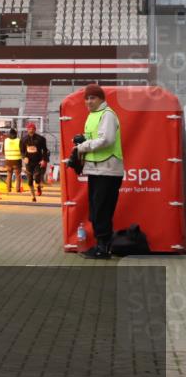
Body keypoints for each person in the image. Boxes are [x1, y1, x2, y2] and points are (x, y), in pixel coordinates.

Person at [73, 84, 123, 259]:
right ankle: (100, 245)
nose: (88, 101)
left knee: (102, 209)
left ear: (102, 99)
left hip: (108, 169)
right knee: (96, 209)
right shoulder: (92, 115)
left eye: (92, 98)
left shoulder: (107, 114)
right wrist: (83, 139)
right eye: (86, 98)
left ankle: (103, 247)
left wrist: (83, 146)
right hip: (96, 169)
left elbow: (106, 139)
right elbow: (94, 138)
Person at [20, 121, 50, 202]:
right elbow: (21, 151)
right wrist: (24, 157)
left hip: (38, 161)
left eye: (33, 129)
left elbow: (45, 150)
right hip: (29, 162)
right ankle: (33, 196)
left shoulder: (41, 139)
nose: (31, 130)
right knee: (29, 180)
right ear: (27, 130)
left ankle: (38, 187)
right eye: (29, 129)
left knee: (37, 177)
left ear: (35, 130)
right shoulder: (23, 140)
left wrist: (44, 160)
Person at [3, 127, 23, 194]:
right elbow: (22, 151)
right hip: (17, 161)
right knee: (18, 175)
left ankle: (8, 189)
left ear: (9, 134)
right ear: (16, 134)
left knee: (9, 175)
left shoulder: (6, 141)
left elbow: (3, 151)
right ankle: (17, 189)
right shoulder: (19, 140)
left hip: (8, 161)